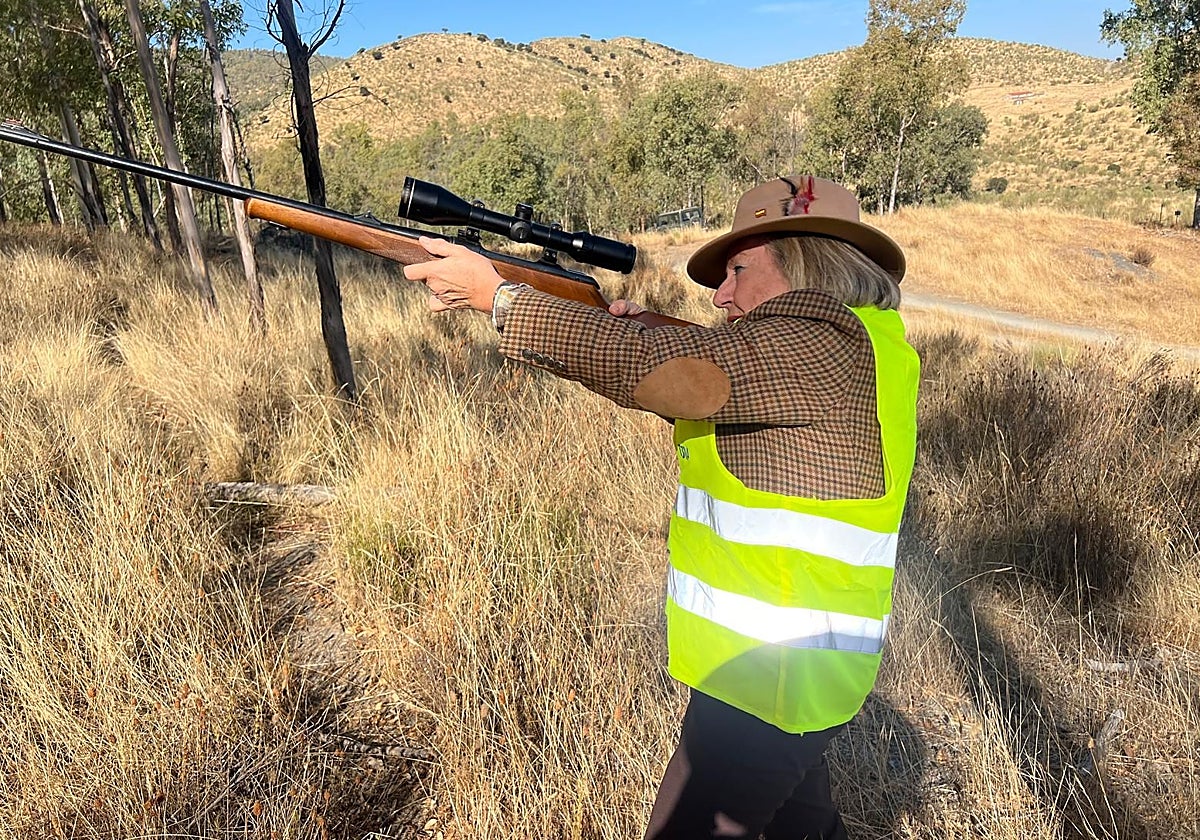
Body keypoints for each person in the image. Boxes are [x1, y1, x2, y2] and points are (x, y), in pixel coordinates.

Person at [403, 175, 920, 839]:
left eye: (738, 269)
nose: (721, 294)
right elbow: (675, 379)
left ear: (807, 260)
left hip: (775, 678)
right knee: (806, 827)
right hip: (783, 670)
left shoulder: (822, 342)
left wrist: (498, 298)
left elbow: (668, 367)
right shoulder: (857, 347)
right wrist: (609, 333)